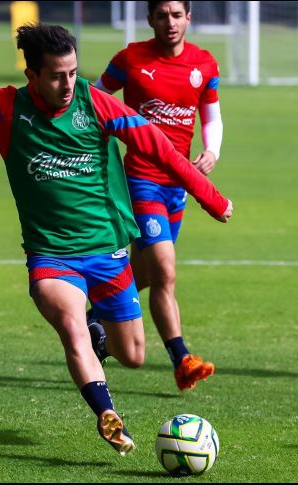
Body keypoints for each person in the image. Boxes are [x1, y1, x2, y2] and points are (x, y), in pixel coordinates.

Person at [0, 23, 233, 454]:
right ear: (31, 74)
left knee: (133, 355)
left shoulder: (97, 104)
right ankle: (107, 414)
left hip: (108, 252)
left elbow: (160, 149)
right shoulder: (5, 109)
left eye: (73, 72)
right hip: (52, 257)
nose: (68, 83)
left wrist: (210, 197)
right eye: (56, 75)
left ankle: (100, 335)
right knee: (71, 328)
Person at [92, 1, 223, 391]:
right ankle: (182, 359)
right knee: (165, 268)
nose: (170, 22)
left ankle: (93, 323)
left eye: (176, 15)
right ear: (150, 19)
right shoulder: (130, 59)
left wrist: (211, 150)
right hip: (141, 179)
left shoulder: (205, 65)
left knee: (145, 274)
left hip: (178, 184)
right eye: (162, 15)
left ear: (189, 18)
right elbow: (97, 98)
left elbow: (211, 115)